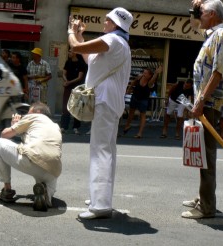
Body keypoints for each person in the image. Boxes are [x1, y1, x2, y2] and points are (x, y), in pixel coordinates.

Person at [68, 7, 133, 219]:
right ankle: (100, 197)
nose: (104, 23)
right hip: (109, 102)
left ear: (115, 23)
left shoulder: (113, 41)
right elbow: (89, 59)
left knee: (100, 151)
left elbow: (77, 49)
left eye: (107, 20)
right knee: (106, 151)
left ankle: (100, 205)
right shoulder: (117, 43)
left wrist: (71, 32)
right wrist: (78, 34)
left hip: (105, 101)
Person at [182, 0, 223, 219]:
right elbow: (195, 23)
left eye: (202, 12)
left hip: (210, 105)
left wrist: (201, 100)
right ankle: (204, 197)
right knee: (202, 154)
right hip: (206, 103)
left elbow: (218, 72)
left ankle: (207, 206)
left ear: (212, 14)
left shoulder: (221, 36)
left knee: (207, 155)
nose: (199, 16)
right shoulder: (212, 35)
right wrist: (197, 7)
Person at [0, 102, 62, 212]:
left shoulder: (34, 117)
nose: (26, 116)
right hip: (53, 170)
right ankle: (45, 195)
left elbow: (5, 134)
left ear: (38, 112)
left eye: (28, 113)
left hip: (32, 159)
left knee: (0, 142)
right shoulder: (55, 126)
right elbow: (32, 140)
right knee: (48, 186)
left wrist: (14, 125)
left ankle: (7, 191)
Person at [122, 66, 163, 138]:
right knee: (131, 112)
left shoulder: (150, 82)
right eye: (143, 72)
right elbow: (133, 82)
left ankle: (140, 133)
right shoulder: (139, 77)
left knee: (142, 115)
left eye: (146, 73)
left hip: (143, 99)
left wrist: (156, 73)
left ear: (149, 75)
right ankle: (127, 125)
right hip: (135, 96)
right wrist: (129, 89)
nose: (144, 74)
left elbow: (153, 80)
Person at [60, 51, 87, 134]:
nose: (69, 53)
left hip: (77, 88)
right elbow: (64, 73)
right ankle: (64, 126)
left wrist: (69, 82)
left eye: (70, 52)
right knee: (65, 106)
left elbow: (80, 77)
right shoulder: (68, 62)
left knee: (77, 106)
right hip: (68, 87)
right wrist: (66, 80)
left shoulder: (81, 64)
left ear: (75, 53)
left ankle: (76, 127)